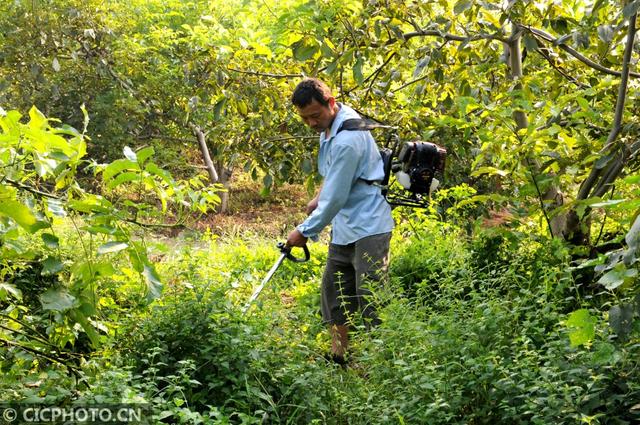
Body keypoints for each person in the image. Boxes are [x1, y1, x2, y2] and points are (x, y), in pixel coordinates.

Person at [286, 78, 394, 365]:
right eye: (305, 118)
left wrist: (304, 231)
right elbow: (333, 175)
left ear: (330, 103)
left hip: (369, 225)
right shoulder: (331, 126)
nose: (311, 123)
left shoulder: (347, 138)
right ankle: (338, 356)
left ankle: (380, 361)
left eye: (315, 116)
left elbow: (335, 198)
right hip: (345, 226)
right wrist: (317, 197)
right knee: (335, 291)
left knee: (371, 296)